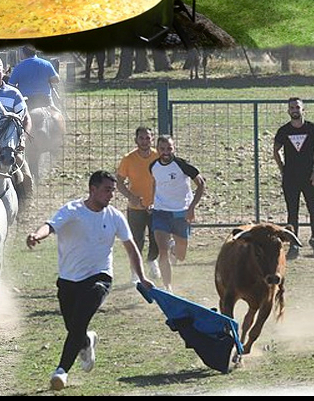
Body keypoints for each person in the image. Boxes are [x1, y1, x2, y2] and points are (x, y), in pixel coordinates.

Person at [26, 170, 152, 391]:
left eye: (113, 190)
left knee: (79, 321)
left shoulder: (114, 216)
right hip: (68, 280)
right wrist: (37, 235)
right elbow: (50, 226)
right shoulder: (73, 210)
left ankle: (61, 371)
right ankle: (87, 341)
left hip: (100, 277)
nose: (111, 195)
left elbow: (131, 249)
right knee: (74, 327)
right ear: (92, 189)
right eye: (107, 190)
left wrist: (142, 277)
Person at [148, 135, 205, 291]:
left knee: (181, 255)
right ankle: (168, 287)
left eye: (169, 148)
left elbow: (201, 184)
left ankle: (175, 248)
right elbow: (156, 183)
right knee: (162, 251)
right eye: (162, 149)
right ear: (157, 149)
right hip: (160, 212)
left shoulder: (181, 165)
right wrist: (153, 201)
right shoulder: (153, 166)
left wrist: (191, 208)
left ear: (174, 148)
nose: (166, 152)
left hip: (181, 212)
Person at [273, 98, 314, 259]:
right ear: (288, 111)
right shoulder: (283, 131)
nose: (295, 110)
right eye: (292, 108)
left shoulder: (312, 129)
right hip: (291, 178)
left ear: (303, 109)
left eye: (297, 107)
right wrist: (282, 169)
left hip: (310, 177)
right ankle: (294, 245)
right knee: (292, 212)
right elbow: (276, 150)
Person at [115, 126, 161, 281]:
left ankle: (152, 260)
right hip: (136, 208)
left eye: (147, 138)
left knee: (157, 238)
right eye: (141, 138)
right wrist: (130, 197)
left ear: (152, 139)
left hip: (157, 206)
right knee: (136, 240)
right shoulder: (128, 159)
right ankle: (135, 272)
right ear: (136, 140)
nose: (144, 141)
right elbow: (119, 182)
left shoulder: (158, 156)